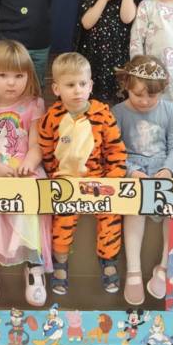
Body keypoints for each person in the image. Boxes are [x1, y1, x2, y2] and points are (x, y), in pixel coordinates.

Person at [0, 40, 52, 307]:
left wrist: (29, 163)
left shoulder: (35, 105)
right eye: (3, 75)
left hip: (24, 165)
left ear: (29, 76)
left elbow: (37, 145)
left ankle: (34, 267)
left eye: (19, 75)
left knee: (32, 195)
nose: (11, 83)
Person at [38, 52, 127, 296]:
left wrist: (113, 179)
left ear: (90, 86)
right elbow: (46, 150)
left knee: (110, 215)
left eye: (82, 84)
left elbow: (116, 149)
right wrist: (53, 176)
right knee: (63, 219)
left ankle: (108, 261)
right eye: (70, 85)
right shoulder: (51, 118)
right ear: (56, 89)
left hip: (97, 179)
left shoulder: (102, 114)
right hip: (66, 180)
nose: (77, 90)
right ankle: (60, 263)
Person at [111, 56, 173, 305]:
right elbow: (114, 150)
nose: (144, 101)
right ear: (126, 87)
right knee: (135, 207)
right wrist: (131, 171)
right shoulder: (118, 112)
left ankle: (164, 266)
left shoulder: (169, 111)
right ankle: (133, 270)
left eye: (151, 96)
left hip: (163, 169)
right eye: (138, 94)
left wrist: (168, 170)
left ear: (162, 91)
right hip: (133, 173)